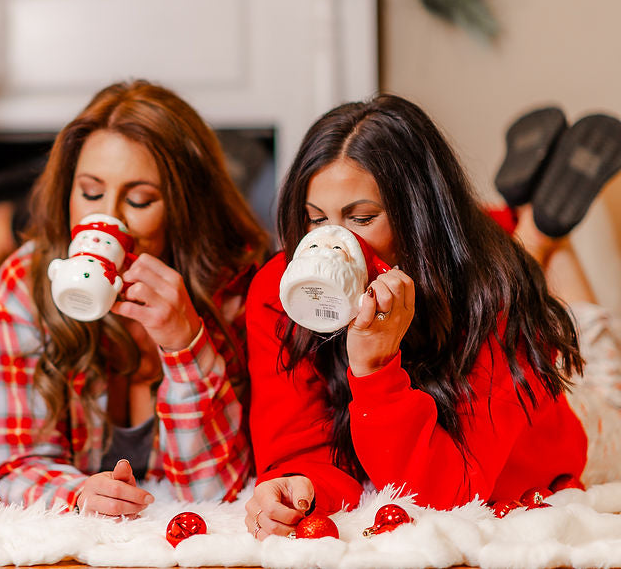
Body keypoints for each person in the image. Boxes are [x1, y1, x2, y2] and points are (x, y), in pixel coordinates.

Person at [244, 94, 599, 539]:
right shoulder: (282, 291)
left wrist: (374, 367)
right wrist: (300, 485)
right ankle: (521, 213)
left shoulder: (496, 291)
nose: (333, 242)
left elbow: (448, 497)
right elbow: (299, 446)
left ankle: (536, 227)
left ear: (418, 216)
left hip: (547, 451)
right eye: (316, 219)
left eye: (362, 218)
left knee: (603, 355)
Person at [0, 79, 269, 514]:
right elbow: (18, 465)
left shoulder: (233, 292)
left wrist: (185, 343)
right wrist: (77, 495)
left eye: (139, 199)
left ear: (184, 209)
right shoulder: (25, 286)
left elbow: (216, 496)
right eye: (90, 192)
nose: (107, 217)